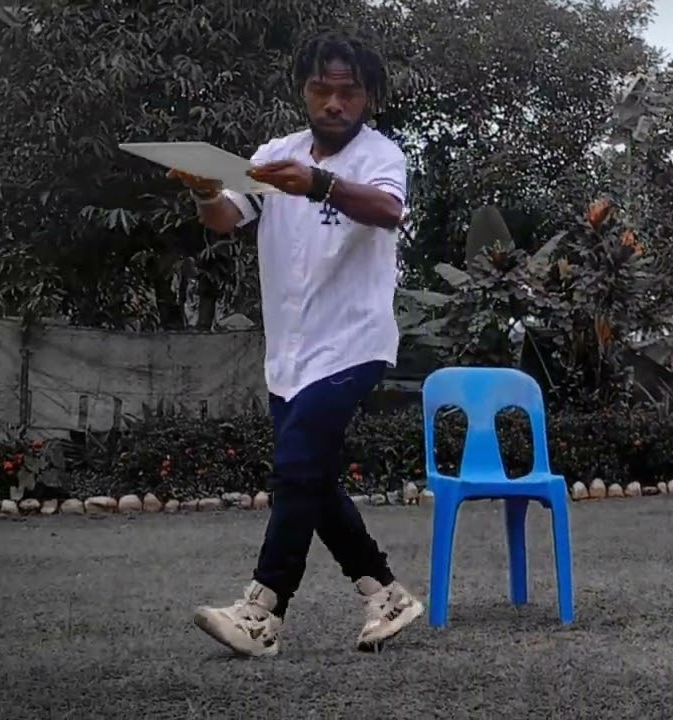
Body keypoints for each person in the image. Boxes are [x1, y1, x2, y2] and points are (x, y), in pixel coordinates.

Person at [168, 31, 424, 657]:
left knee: (296, 468)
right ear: (303, 91)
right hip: (289, 354)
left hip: (354, 343)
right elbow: (227, 219)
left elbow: (388, 211)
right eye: (320, 90)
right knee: (313, 477)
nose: (334, 103)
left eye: (349, 92)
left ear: (368, 96)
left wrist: (320, 184)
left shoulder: (380, 155)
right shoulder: (274, 155)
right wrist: (205, 191)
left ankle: (262, 612)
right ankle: (385, 593)